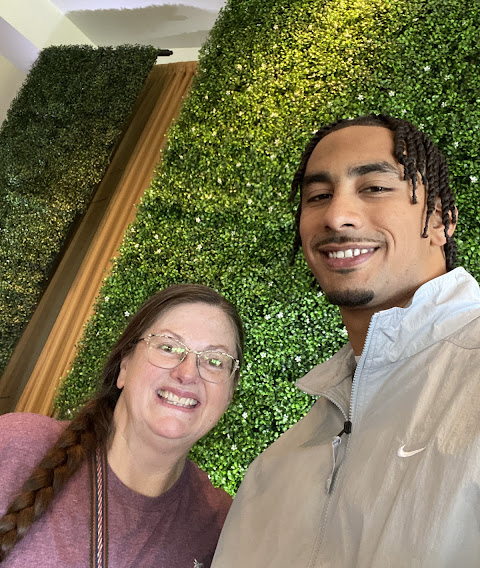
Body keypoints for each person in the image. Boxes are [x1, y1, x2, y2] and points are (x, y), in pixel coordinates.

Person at [211, 114, 480, 568]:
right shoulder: (274, 469)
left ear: (441, 220)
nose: (336, 216)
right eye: (318, 196)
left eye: (374, 187)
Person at [0, 283, 243, 568]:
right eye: (168, 347)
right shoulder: (17, 443)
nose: (188, 373)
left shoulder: (218, 526)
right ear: (124, 366)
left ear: (229, 393)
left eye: (215, 361)